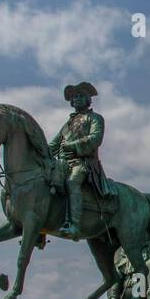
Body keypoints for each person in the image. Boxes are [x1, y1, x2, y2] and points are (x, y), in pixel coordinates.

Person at [48, 82, 109, 240]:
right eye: (75, 97)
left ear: (88, 99)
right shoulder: (67, 125)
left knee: (72, 182)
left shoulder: (95, 118)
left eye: (81, 96)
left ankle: (74, 225)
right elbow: (53, 145)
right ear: (72, 102)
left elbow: (95, 138)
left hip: (84, 163)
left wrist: (72, 146)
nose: (78, 99)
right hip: (63, 164)